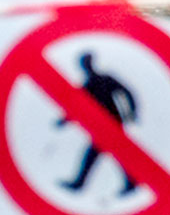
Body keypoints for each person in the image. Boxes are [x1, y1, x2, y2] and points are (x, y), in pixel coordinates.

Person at [58, 53, 139, 195]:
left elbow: (126, 92)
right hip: (101, 127)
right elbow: (76, 106)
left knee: (110, 153)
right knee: (114, 153)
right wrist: (65, 120)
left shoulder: (105, 79)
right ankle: (130, 182)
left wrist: (131, 112)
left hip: (112, 123)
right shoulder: (87, 86)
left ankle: (80, 184)